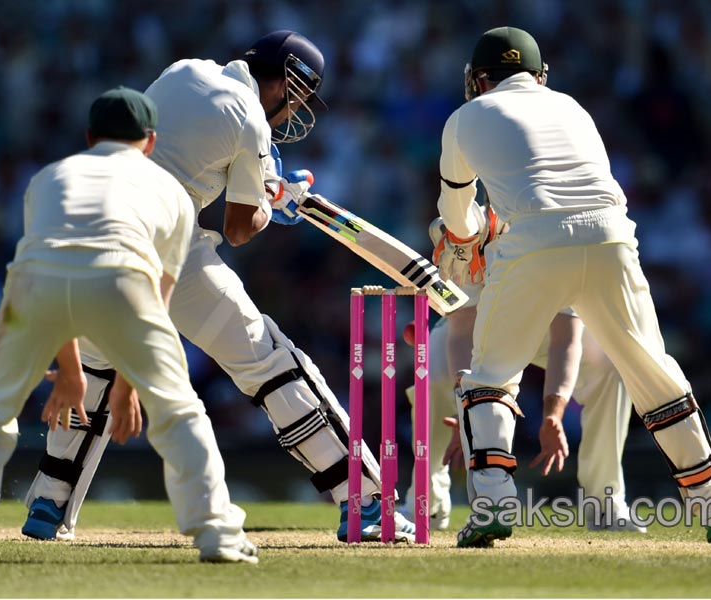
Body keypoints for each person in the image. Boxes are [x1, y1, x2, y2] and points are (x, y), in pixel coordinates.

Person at [21, 31, 415, 544]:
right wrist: (275, 203)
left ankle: (49, 504)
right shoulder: (251, 119)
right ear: (283, 79)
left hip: (102, 239)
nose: (293, 109)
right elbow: (238, 228)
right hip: (172, 253)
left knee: (96, 370)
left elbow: (171, 157)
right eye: (295, 95)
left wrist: (258, 178)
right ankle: (365, 504)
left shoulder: (182, 70)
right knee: (270, 364)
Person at [0, 87, 258, 564]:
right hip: (124, 282)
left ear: (90, 136)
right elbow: (158, 299)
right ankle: (218, 535)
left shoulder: (49, 177)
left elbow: (58, 275)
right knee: (180, 411)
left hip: (31, 289)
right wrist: (126, 386)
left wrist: (72, 373)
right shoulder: (174, 196)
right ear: (151, 141)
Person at [433, 26, 711, 548]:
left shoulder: (465, 117)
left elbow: (456, 220)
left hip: (531, 241)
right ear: (539, 75)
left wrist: (472, 241)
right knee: (654, 373)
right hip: (611, 238)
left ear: (479, 79)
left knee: (490, 376)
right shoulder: (573, 106)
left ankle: (491, 505)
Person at [402, 266, 646, 533]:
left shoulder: (554, 233)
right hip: (479, 322)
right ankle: (426, 502)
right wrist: (466, 409)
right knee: (432, 366)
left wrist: (554, 414)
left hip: (544, 322)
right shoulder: (468, 232)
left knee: (609, 368)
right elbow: (460, 332)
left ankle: (605, 503)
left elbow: (565, 340)